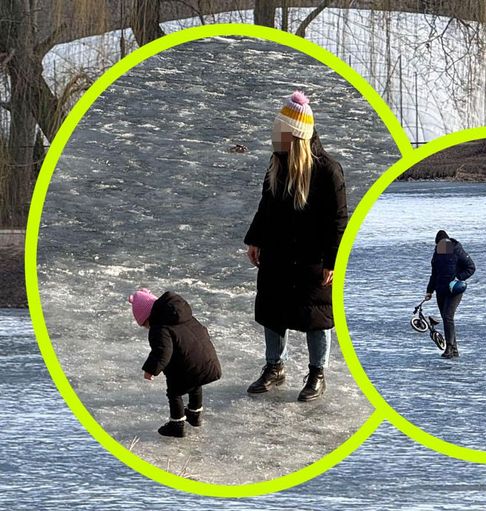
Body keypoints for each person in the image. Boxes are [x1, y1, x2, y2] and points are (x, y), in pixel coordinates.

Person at [244, 91, 348, 402]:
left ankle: (317, 373)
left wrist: (332, 260)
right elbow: (266, 205)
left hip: (313, 257)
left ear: (297, 136)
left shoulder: (329, 170)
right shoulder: (276, 164)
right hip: (277, 252)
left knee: (316, 315)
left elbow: (339, 220)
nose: (276, 136)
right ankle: (274, 367)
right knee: (272, 310)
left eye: (282, 131)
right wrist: (255, 238)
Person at [128, 288, 222, 438]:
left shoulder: (159, 327)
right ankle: (194, 414)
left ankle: (176, 425)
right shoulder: (184, 316)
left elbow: (162, 352)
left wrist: (151, 369)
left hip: (188, 365)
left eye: (145, 324)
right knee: (195, 383)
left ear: (147, 317)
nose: (147, 328)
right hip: (206, 360)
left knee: (174, 392)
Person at [425, 229, 476, 359]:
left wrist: (458, 278)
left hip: (455, 290)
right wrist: (429, 291)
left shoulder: (457, 250)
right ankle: (454, 349)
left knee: (448, 317)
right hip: (440, 290)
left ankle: (449, 348)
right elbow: (434, 274)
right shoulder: (437, 253)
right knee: (446, 319)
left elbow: (471, 267)